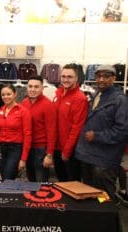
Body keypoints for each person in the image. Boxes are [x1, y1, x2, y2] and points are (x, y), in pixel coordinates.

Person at [75, 65, 128, 202]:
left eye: (106, 76)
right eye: (98, 76)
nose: (101, 80)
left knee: (103, 197)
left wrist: (97, 136)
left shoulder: (120, 100)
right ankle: (94, 219)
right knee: (89, 193)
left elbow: (122, 130)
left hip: (105, 159)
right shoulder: (96, 95)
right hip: (88, 155)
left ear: (114, 78)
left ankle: (108, 220)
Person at [53, 63, 88, 181]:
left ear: (76, 78)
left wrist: (67, 151)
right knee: (61, 181)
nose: (66, 79)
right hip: (57, 147)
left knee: (72, 183)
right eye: (63, 76)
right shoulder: (58, 93)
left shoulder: (80, 98)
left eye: (69, 77)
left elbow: (77, 128)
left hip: (70, 150)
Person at [22, 75, 57, 182]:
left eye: (36, 87)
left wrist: (49, 155)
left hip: (41, 150)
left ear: (42, 88)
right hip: (28, 148)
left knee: (41, 182)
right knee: (30, 179)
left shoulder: (48, 105)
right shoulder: (24, 103)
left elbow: (52, 131)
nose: (32, 89)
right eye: (30, 86)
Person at [0, 84, 32, 180]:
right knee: (4, 177)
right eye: (3, 95)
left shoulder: (23, 111)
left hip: (15, 149)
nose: (5, 97)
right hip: (1, 148)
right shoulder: (1, 110)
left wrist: (23, 159)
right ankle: (7, 194)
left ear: (15, 94)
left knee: (8, 177)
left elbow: (28, 135)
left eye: (8, 94)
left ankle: (8, 194)